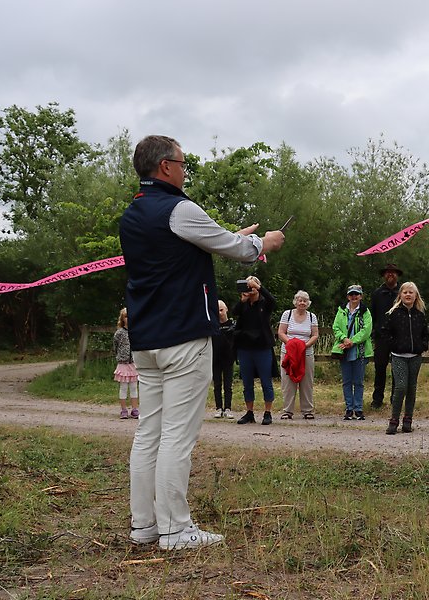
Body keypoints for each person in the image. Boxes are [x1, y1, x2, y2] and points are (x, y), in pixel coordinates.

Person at [120, 134, 283, 550]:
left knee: (149, 433)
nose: (186, 168)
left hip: (147, 339)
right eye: (182, 161)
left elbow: (194, 244)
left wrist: (231, 236)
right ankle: (175, 529)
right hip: (184, 337)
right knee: (178, 435)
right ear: (165, 167)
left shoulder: (134, 213)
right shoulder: (179, 208)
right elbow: (237, 250)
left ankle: (144, 526)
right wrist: (262, 245)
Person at [381, 282, 429, 434]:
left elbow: (425, 334)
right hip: (398, 356)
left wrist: (422, 346)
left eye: (411, 293)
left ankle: (408, 419)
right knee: (400, 386)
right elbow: (384, 333)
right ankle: (394, 419)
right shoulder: (393, 314)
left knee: (411, 388)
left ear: (416, 296)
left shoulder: (420, 315)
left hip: (415, 356)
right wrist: (394, 345)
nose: (408, 295)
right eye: (405, 292)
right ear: (400, 295)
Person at [233, 276, 278, 426]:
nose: (250, 289)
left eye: (252, 286)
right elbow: (234, 312)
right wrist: (243, 300)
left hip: (262, 347)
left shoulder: (265, 303)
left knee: (266, 381)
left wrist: (258, 288)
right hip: (245, 347)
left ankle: (267, 412)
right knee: (247, 383)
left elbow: (273, 300)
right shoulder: (244, 304)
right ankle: (249, 412)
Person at [332, 284, 373, 421]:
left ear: (361, 296)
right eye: (351, 294)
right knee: (347, 381)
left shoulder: (365, 312)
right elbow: (336, 327)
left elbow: (366, 330)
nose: (354, 297)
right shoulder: (341, 310)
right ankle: (349, 408)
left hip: (359, 351)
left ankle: (359, 408)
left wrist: (352, 341)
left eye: (356, 294)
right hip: (344, 351)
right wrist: (344, 338)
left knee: (359, 381)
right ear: (348, 296)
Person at [278, 290, 319, 420]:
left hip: (306, 353)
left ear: (308, 303)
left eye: (305, 300)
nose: (302, 303)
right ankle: (287, 411)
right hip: (288, 353)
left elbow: (315, 335)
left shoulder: (312, 317)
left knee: (307, 382)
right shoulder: (287, 314)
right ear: (295, 301)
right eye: (300, 300)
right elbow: (281, 332)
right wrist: (292, 344)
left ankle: (307, 410)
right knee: (287, 382)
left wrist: (304, 346)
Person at [370, 263, 402, 409]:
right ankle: (377, 399)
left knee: (398, 369)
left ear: (397, 275)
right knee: (380, 368)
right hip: (381, 336)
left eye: (393, 272)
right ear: (384, 275)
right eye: (388, 272)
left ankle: (395, 399)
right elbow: (373, 315)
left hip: (398, 336)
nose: (391, 275)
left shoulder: (403, 292)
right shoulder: (377, 293)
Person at [113, 308, 139, 419]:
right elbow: (115, 346)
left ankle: (134, 409)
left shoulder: (137, 331)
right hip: (123, 364)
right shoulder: (119, 333)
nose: (128, 319)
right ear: (122, 319)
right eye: (126, 317)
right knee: (123, 388)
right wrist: (120, 356)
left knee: (134, 387)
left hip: (133, 364)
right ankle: (123, 410)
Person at [211, 300, 235, 419]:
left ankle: (228, 408)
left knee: (228, 384)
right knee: (217, 384)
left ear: (226, 310)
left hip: (228, 359)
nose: (219, 313)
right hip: (215, 359)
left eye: (221, 310)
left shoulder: (233, 325)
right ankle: (218, 407)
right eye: (217, 310)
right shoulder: (213, 326)